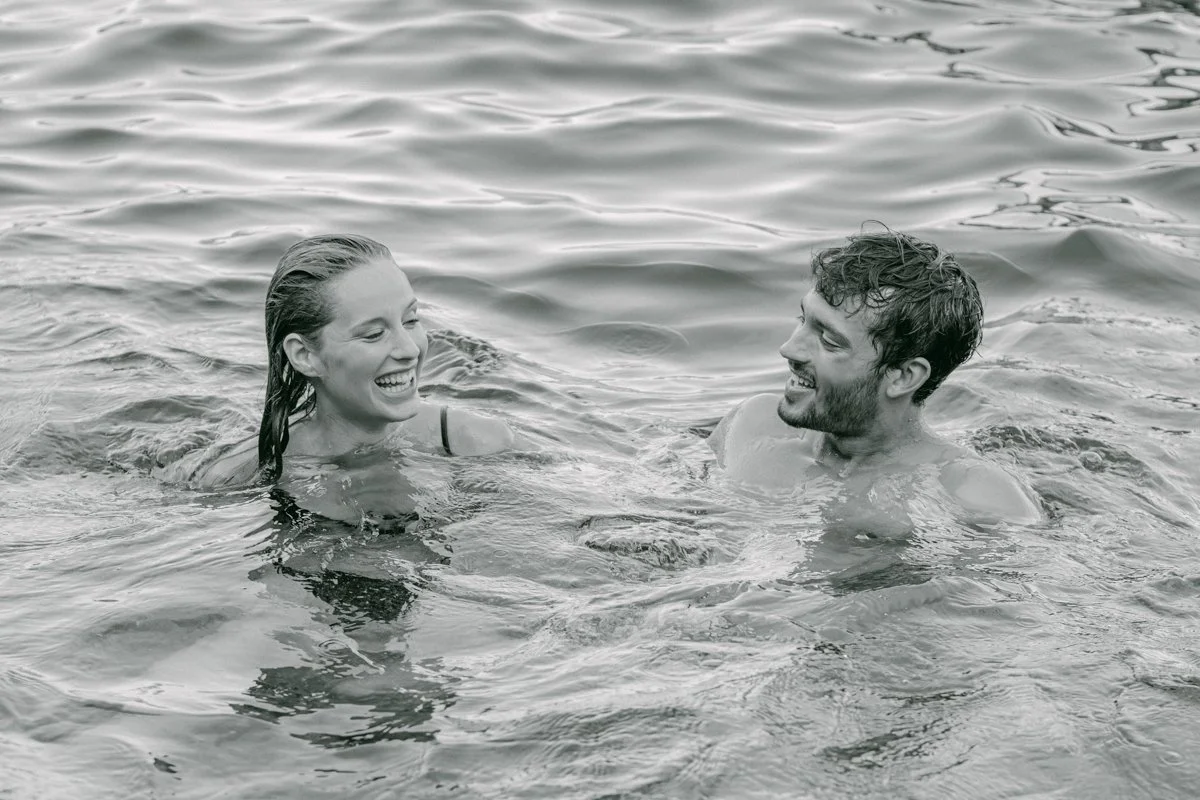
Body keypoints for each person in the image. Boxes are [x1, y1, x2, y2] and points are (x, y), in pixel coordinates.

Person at [709, 224, 1041, 527]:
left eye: (829, 341)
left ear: (904, 377)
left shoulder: (974, 495)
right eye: (803, 320)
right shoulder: (749, 426)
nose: (789, 349)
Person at [193, 234, 513, 510]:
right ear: (305, 356)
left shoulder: (475, 442)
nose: (410, 349)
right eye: (374, 334)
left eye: (411, 320)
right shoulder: (239, 476)